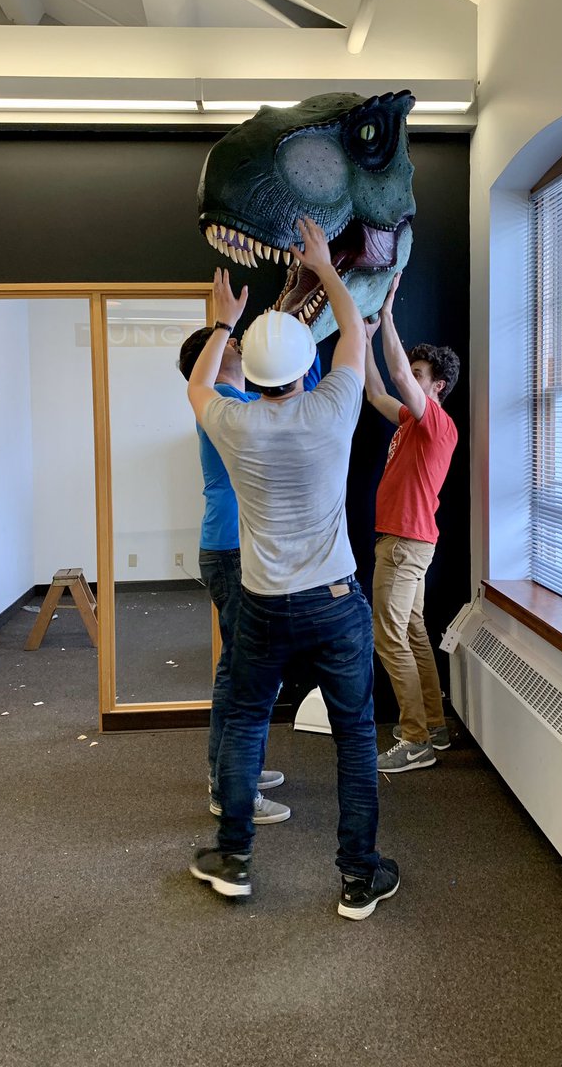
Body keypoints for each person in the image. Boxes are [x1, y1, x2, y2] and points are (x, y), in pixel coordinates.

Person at [186, 216, 398, 920]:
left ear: (252, 371)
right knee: (355, 738)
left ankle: (234, 857)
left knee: (247, 722)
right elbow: (354, 331)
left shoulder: (233, 423)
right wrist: (327, 268)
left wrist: (225, 321)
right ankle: (358, 877)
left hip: (263, 605)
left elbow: (197, 387)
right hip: (335, 602)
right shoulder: (334, 408)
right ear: (307, 363)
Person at [177, 327, 318, 825]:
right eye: (232, 343)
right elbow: (291, 407)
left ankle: (236, 773)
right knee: (246, 675)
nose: (239, 345)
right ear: (215, 358)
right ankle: (231, 792)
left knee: (240, 669)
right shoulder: (224, 401)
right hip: (233, 552)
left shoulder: (231, 401)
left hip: (231, 549)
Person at [363, 274, 460, 773]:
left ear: (436, 386)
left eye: (421, 375)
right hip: (409, 542)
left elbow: (398, 374)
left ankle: (416, 738)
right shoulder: (409, 422)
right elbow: (377, 390)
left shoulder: (437, 423)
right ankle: (435, 727)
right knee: (413, 629)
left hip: (404, 544)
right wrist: (361, 339)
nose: (411, 378)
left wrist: (387, 316)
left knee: (388, 636)